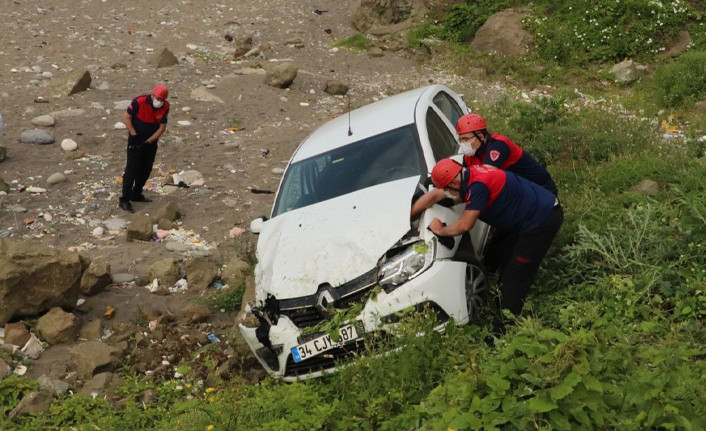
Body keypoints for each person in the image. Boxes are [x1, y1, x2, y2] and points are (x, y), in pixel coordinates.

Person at [411, 158, 563, 340]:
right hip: (527, 216)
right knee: (505, 263)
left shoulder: (478, 187)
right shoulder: (467, 174)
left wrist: (441, 230)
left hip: (541, 220)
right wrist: (410, 214)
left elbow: (465, 224)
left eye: (447, 189)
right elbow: (435, 195)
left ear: (453, 182)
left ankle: (503, 331)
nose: (446, 193)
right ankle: (503, 306)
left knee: (516, 276)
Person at [456, 113, 557, 196]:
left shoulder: (498, 145)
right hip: (521, 192)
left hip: (541, 189)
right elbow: (464, 181)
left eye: (466, 139)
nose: (463, 144)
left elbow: (485, 176)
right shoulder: (471, 155)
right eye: (461, 139)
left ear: (481, 137)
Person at [119, 84, 170, 213]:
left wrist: (149, 141)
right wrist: (133, 133)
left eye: (162, 100)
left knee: (146, 168)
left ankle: (137, 193)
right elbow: (126, 117)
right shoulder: (139, 102)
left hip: (150, 141)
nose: (159, 101)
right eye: (158, 98)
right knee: (131, 168)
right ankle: (125, 199)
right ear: (152, 95)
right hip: (136, 138)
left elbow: (162, 128)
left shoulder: (165, 107)